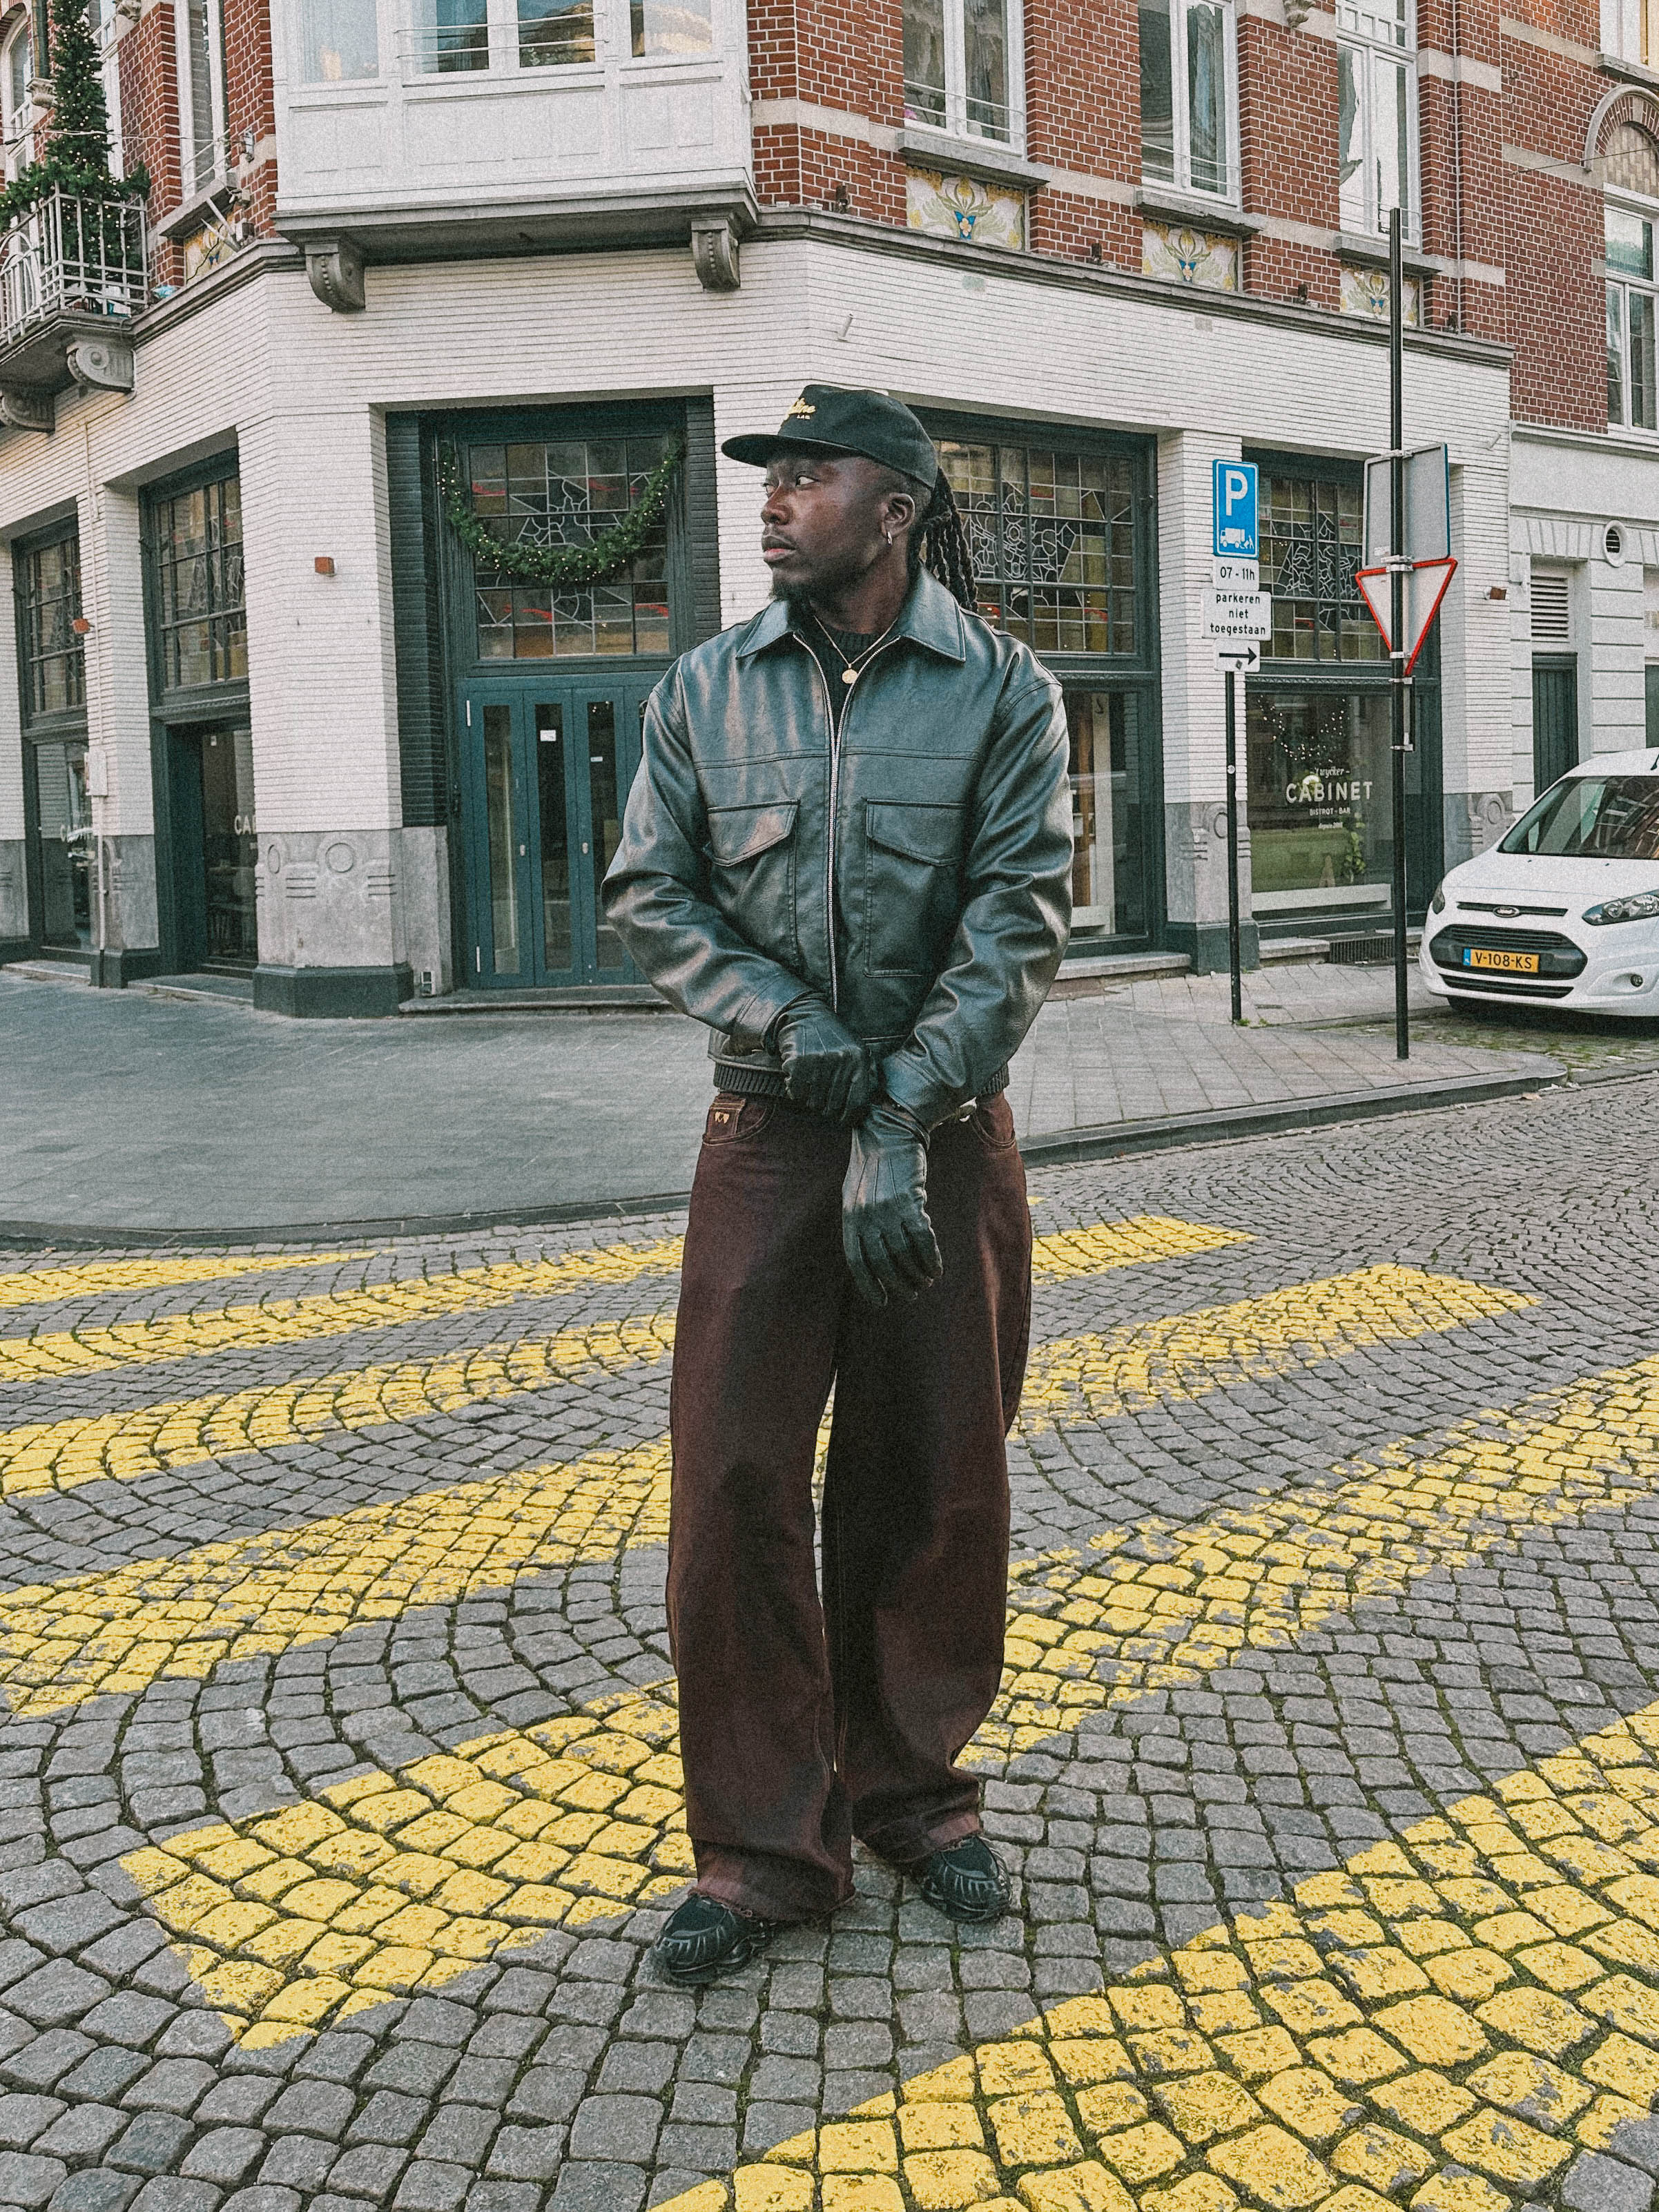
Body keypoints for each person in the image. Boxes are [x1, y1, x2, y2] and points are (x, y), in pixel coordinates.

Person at [602, 385, 1072, 1985]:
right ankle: (760, 1852)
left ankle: (916, 1795)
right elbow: (649, 894)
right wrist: (795, 1034)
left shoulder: (1005, 689)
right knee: (732, 1481)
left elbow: (1016, 918)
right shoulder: (704, 692)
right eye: (771, 477)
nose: (775, 498)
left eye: (811, 475)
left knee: (936, 1472)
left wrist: (903, 1115)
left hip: (945, 1130)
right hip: (766, 1130)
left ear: (897, 506)